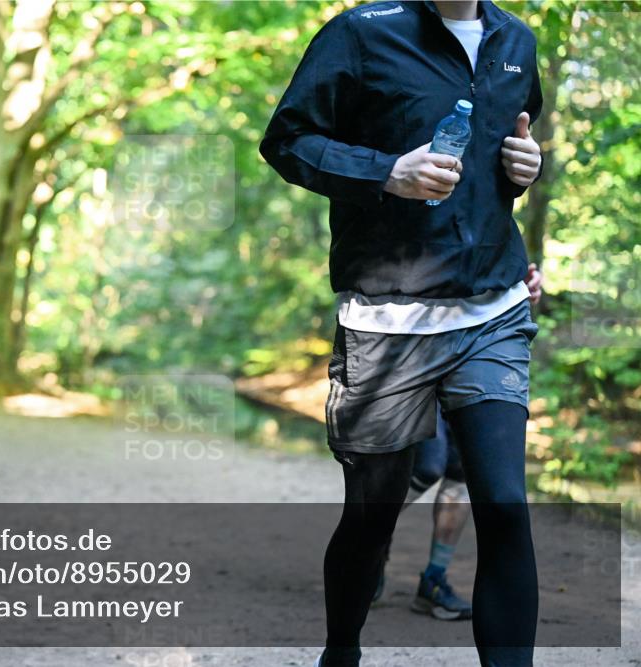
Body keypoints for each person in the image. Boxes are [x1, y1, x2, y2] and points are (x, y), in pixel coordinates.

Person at [259, 1, 544, 665]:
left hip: (490, 309)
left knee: (503, 502)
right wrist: (386, 172)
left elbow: (505, 157)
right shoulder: (362, 34)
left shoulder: (516, 42)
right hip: (388, 321)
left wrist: (524, 165)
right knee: (372, 515)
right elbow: (287, 141)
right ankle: (342, 650)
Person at [375, 265, 544, 622]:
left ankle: (434, 580)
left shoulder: (496, 209)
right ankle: (370, 541)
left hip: (483, 341)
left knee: (462, 472)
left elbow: (506, 256)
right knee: (427, 464)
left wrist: (523, 283)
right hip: (413, 341)